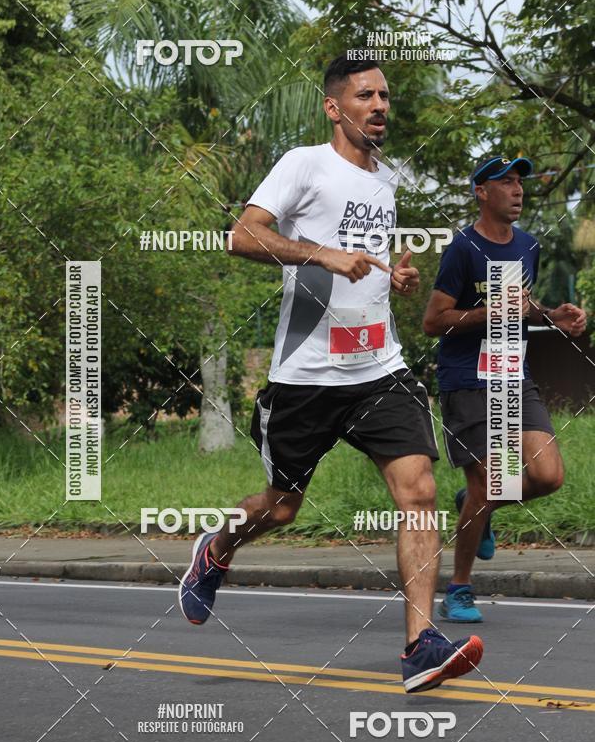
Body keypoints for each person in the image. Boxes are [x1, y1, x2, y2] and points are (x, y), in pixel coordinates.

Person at [178, 55, 483, 693]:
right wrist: (325, 255)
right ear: (333, 107)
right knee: (282, 509)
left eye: (385, 96)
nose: (380, 106)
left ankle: (420, 645)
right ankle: (217, 549)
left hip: (379, 367)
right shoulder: (303, 164)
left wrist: (389, 277)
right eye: (366, 95)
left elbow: (361, 266)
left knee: (419, 489)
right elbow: (242, 236)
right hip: (307, 376)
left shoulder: (385, 179)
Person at [423, 155, 587, 623]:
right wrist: (487, 312)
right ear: (481, 192)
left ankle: (477, 506)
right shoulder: (462, 249)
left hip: (513, 376)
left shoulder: (528, 246)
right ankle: (458, 589)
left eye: (520, 183)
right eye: (507, 182)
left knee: (547, 476)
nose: (518, 190)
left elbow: (522, 305)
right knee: (492, 480)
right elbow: (434, 321)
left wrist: (552, 316)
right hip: (468, 380)